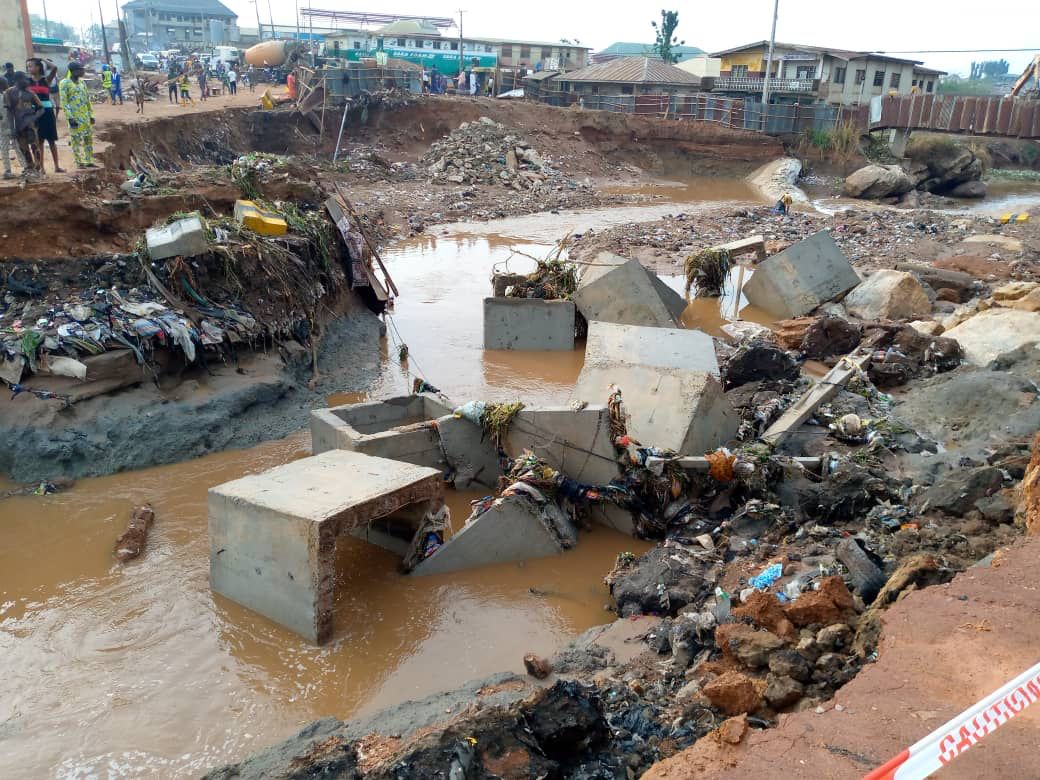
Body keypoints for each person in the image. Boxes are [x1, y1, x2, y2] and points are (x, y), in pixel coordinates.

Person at [26, 57, 63, 173]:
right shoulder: (27, 82)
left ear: (38, 67)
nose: (29, 68)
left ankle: (57, 166)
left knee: (51, 140)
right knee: (39, 141)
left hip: (47, 113)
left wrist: (42, 59)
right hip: (35, 113)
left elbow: (54, 67)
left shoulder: (45, 80)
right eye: (28, 66)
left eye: (31, 65)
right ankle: (42, 168)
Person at [5, 72, 44, 174]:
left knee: (35, 146)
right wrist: (11, 128)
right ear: (17, 80)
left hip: (31, 125)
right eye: (25, 79)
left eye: (27, 79)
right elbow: (9, 112)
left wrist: (33, 118)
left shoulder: (31, 93)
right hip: (18, 125)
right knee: (23, 147)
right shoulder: (9, 93)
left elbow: (41, 109)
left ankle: (38, 167)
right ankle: (29, 167)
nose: (27, 81)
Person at [58, 62, 95, 168]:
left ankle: (89, 160)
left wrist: (91, 115)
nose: (83, 72)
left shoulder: (82, 83)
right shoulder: (64, 83)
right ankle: (79, 162)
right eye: (81, 69)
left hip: (85, 116)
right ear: (74, 71)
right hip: (74, 116)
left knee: (88, 138)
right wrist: (70, 118)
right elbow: (64, 102)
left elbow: (87, 99)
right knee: (76, 139)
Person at [0, 75, 28, 179]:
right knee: (17, 147)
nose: (8, 85)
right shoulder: (7, 96)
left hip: (3, 127)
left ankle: (7, 171)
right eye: (6, 83)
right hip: (11, 126)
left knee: (4, 148)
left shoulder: (6, 95)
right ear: (3, 85)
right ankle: (25, 167)